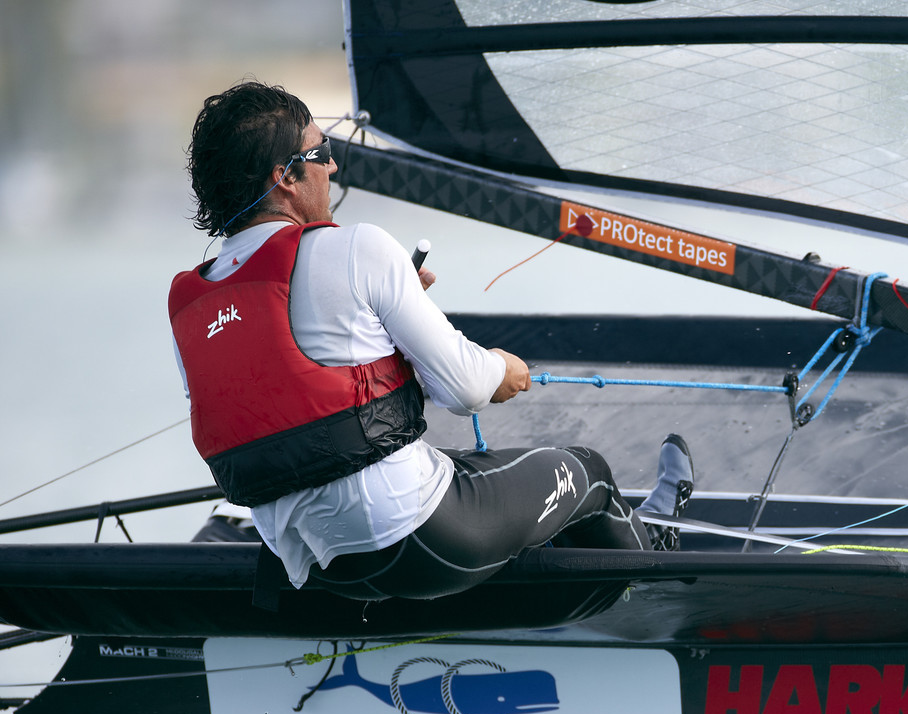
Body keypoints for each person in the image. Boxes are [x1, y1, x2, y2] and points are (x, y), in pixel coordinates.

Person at [169, 82, 693, 600]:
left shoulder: (190, 308)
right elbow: (465, 390)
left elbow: (296, 410)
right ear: (284, 177)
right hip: (421, 545)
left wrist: (381, 327)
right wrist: (500, 369)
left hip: (321, 573)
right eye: (322, 152)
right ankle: (654, 557)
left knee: (472, 473)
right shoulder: (357, 247)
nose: (333, 167)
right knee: (590, 474)